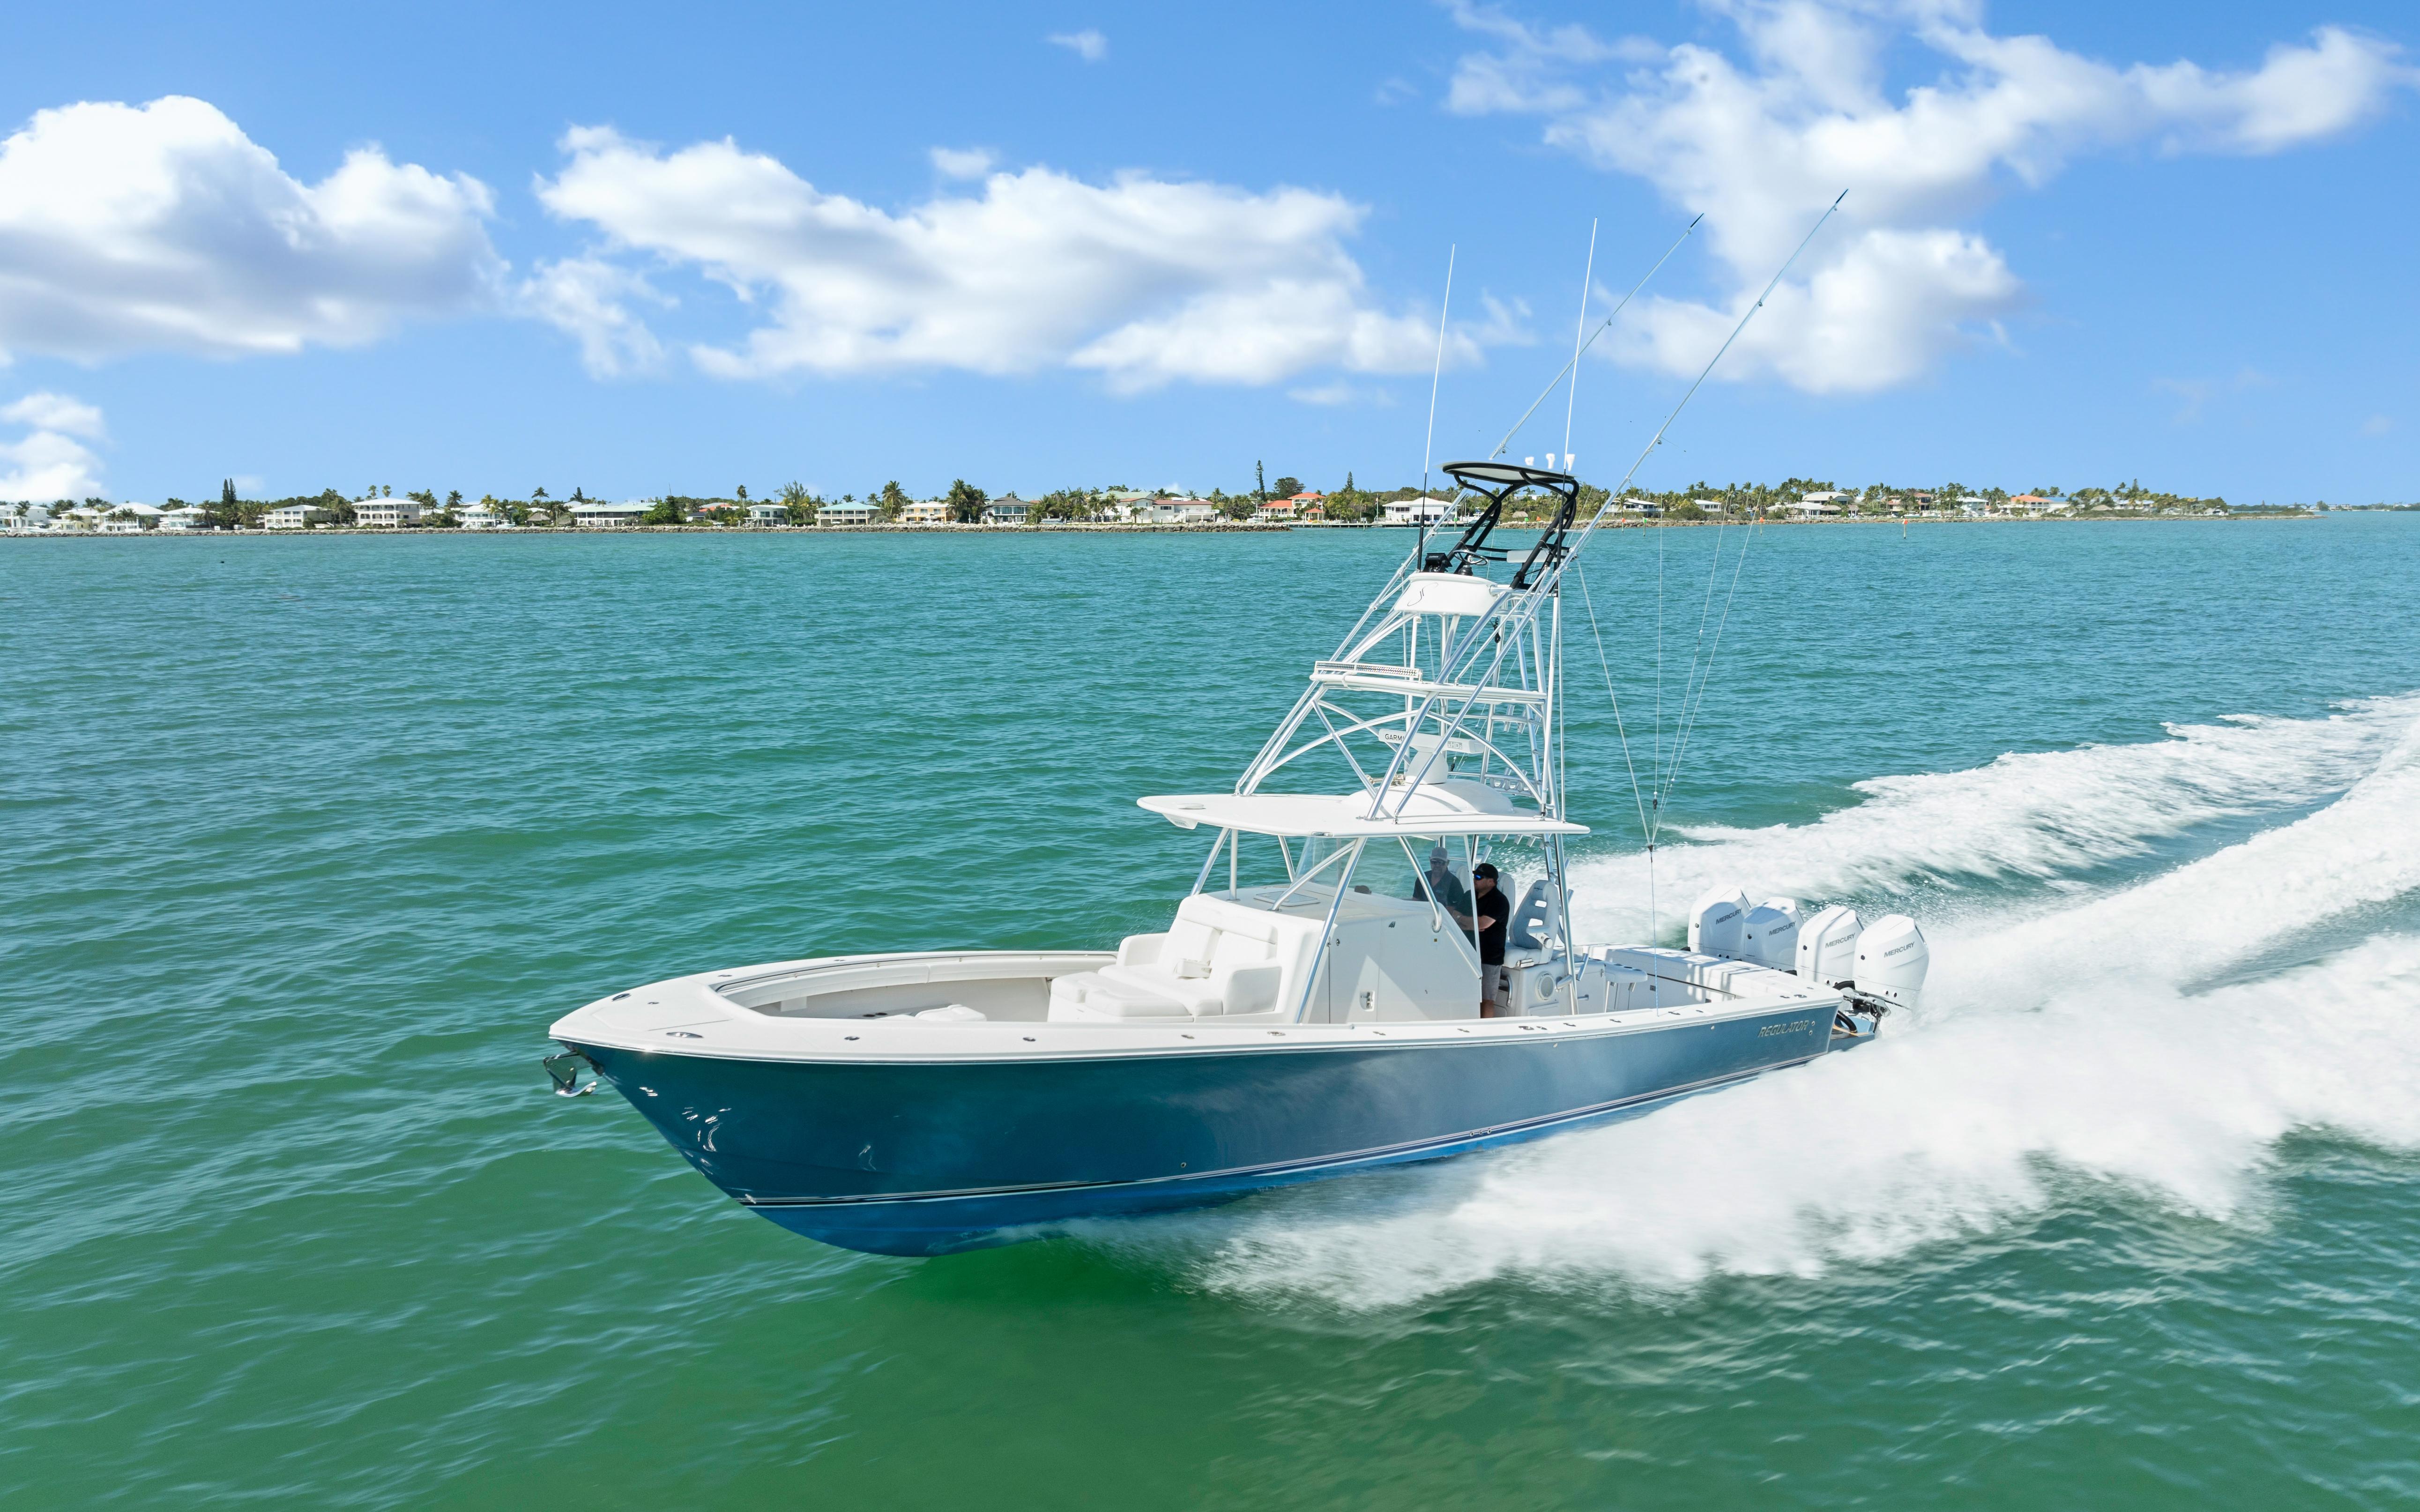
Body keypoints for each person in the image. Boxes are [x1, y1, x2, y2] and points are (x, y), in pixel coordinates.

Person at [1471, 863, 1510, 1017]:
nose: (1475, 880)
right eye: (1474, 876)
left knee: (1487, 999)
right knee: (1471, 996)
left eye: (1479, 877)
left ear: (1491, 882)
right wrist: (1468, 921)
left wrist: (1467, 921)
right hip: (1470, 953)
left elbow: (1482, 924)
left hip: (1490, 957)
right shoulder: (1470, 896)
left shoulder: (1500, 901)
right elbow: (1454, 916)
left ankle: (1486, 1028)